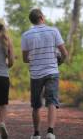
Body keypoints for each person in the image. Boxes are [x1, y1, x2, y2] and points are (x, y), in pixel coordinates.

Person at [21, 9, 68, 139]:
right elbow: (64, 53)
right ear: (42, 17)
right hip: (52, 71)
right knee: (52, 101)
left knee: (36, 105)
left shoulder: (26, 35)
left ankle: (36, 134)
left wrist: (35, 57)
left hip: (36, 74)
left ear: (32, 20)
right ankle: (50, 132)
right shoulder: (53, 31)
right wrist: (59, 62)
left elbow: (25, 59)